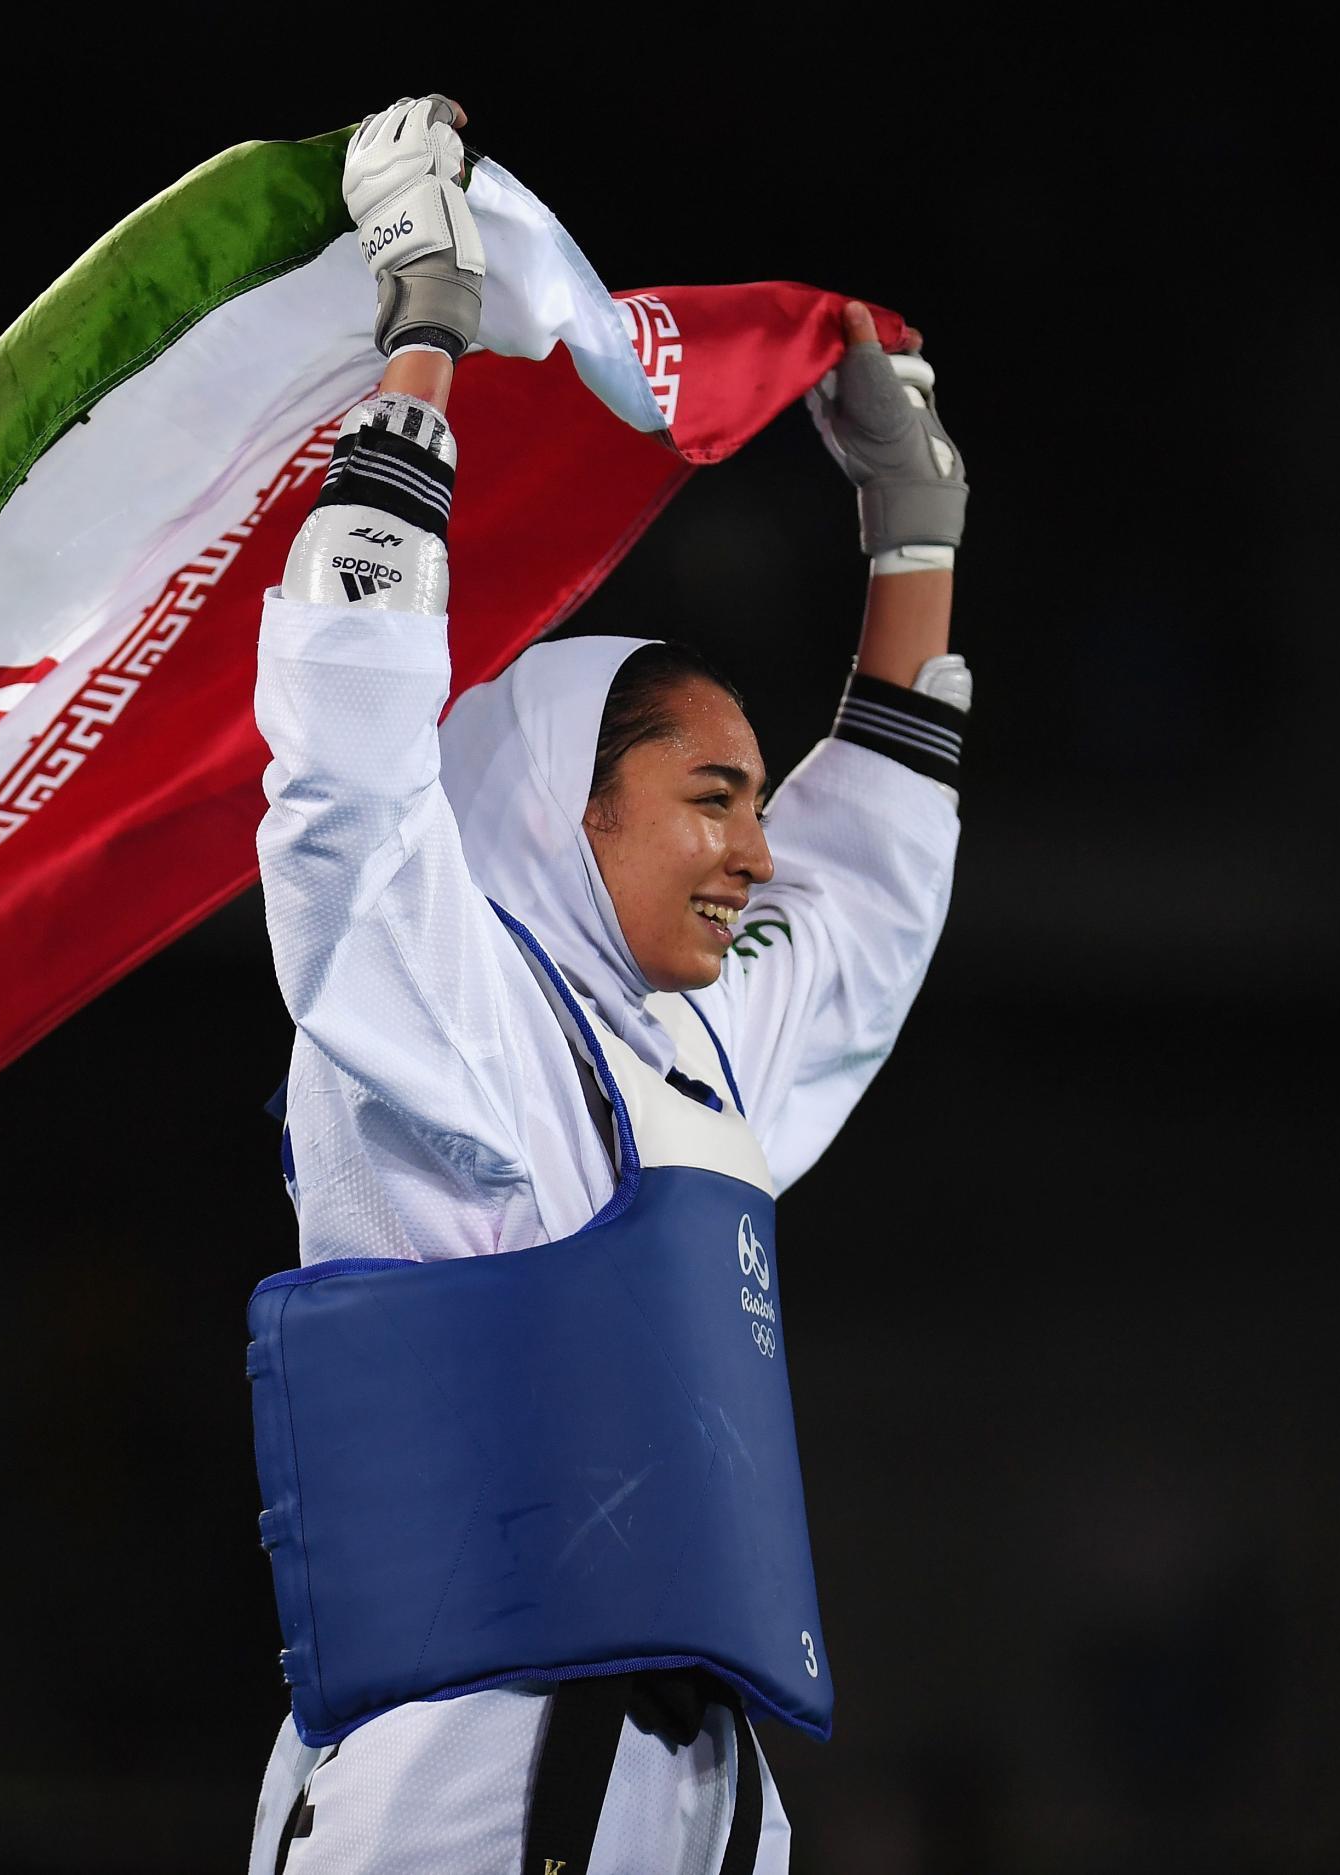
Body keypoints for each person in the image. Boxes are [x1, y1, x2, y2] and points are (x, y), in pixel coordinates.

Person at [243, 97, 971, 1875]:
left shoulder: (696, 1073)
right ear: (571, 809)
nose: (757, 847)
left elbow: (867, 903)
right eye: (713, 799)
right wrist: (423, 335)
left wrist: (910, 524)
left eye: (756, 799)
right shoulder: (439, 1026)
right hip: (461, 1803)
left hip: (697, 1804)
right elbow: (345, 765)